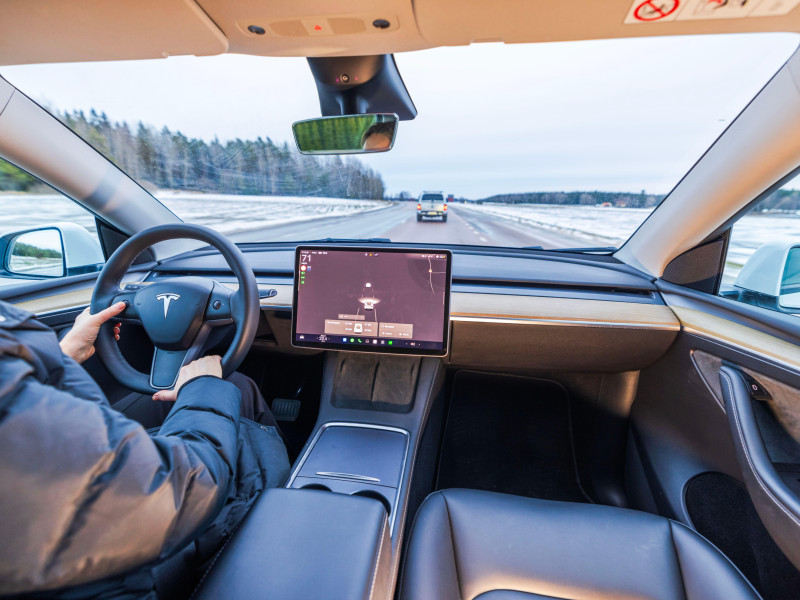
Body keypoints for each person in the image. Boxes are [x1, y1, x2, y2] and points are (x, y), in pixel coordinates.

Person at [0, 299, 290, 599]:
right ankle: (292, 491)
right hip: (129, 566)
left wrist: (64, 355)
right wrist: (204, 385)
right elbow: (186, 490)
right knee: (238, 399)